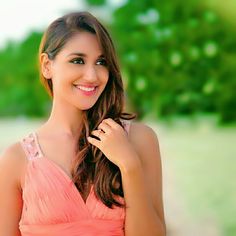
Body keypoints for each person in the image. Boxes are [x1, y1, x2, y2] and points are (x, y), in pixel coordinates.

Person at [0, 11, 166, 236]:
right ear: (47, 66)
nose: (92, 75)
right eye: (77, 60)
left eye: (101, 62)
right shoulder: (16, 160)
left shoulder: (139, 139)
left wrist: (129, 166)